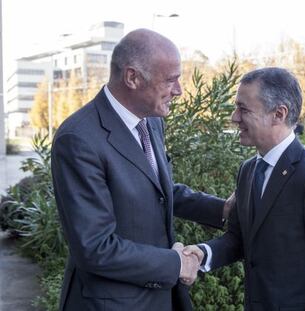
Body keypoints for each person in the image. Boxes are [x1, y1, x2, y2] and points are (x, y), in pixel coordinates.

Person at [51, 29, 233, 311]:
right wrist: (176, 264)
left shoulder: (151, 121)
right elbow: (95, 248)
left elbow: (155, 189)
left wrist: (221, 210)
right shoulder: (78, 139)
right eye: (170, 80)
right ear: (132, 77)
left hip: (158, 299)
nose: (179, 91)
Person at [184, 67, 305, 311]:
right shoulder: (248, 170)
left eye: (243, 109)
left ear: (278, 114)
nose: (234, 117)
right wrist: (203, 254)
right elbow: (240, 239)